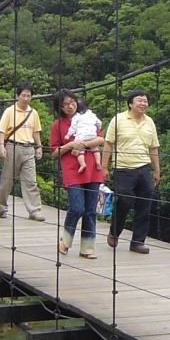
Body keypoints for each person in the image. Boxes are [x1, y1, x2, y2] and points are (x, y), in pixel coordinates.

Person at [100, 89, 160, 255]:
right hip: (123, 168)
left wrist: (156, 170)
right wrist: (104, 167)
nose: (143, 103)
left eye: (145, 101)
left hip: (143, 168)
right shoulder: (118, 119)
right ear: (130, 103)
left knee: (145, 206)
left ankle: (138, 242)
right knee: (125, 201)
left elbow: (153, 148)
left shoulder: (150, 122)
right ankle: (114, 230)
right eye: (139, 100)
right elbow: (108, 144)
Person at [50, 89, 105, 258]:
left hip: (93, 169)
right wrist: (71, 145)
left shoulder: (88, 117)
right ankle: (65, 241)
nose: (69, 106)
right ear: (59, 107)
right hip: (72, 169)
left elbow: (101, 139)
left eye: (72, 102)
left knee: (90, 210)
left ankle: (87, 248)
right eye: (64, 104)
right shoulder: (57, 125)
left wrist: (83, 145)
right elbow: (53, 152)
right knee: (76, 208)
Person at [0, 82, 45, 222]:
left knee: (31, 181)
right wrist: (1, 146)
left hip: (28, 148)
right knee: (7, 180)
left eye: (28, 96)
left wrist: (39, 147)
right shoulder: (9, 111)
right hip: (13, 146)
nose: (25, 98)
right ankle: (2, 208)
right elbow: (1, 130)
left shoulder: (33, 113)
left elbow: (36, 132)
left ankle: (34, 211)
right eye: (23, 95)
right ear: (17, 96)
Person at [66, 100, 102, 174]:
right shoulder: (91, 114)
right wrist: (98, 127)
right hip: (92, 134)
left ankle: (82, 164)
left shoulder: (76, 116)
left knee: (79, 150)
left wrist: (68, 135)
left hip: (81, 136)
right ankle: (98, 162)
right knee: (95, 149)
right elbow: (99, 122)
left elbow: (73, 127)